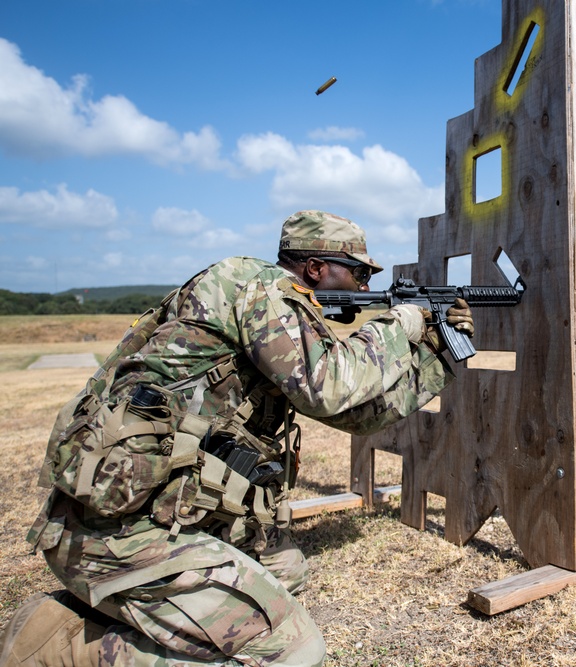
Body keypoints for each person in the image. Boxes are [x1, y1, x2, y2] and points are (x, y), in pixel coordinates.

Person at [0, 210, 473, 666]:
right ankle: (52, 642)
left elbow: (355, 415)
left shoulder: (280, 322)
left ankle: (107, 611)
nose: (366, 288)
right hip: (115, 529)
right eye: (357, 274)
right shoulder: (255, 287)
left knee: (287, 571)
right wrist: (399, 326)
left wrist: (437, 357)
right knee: (294, 653)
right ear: (316, 267)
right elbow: (330, 386)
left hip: (160, 511)